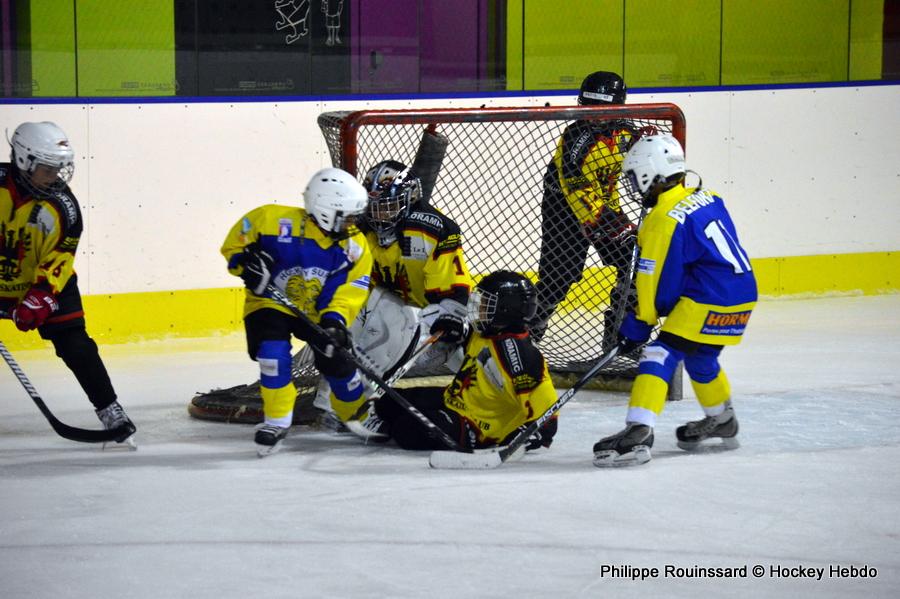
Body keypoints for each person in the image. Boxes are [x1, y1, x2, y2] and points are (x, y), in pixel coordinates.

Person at [592, 134, 757, 467]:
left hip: (708, 297)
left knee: (659, 353)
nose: (633, 187)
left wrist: (640, 323)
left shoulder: (662, 220)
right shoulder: (707, 196)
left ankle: (638, 430)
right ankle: (722, 419)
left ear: (649, 173)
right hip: (741, 293)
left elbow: (655, 284)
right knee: (700, 357)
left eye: (634, 178)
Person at [0, 121, 136, 446]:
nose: (55, 177)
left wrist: (40, 298)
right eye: (47, 170)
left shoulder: (64, 206)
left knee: (76, 345)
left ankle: (110, 408)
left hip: (42, 281)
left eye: (58, 170)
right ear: (24, 161)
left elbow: (59, 259)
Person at [221, 167, 372, 456]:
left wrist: (334, 321)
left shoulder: (354, 246)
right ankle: (276, 421)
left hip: (317, 311)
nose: (353, 224)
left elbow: (347, 290)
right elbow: (234, 246)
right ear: (325, 210)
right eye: (347, 217)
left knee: (336, 359)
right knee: (272, 354)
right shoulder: (270, 220)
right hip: (270, 303)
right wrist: (246, 265)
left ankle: (357, 413)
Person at [317, 159, 474, 433]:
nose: (379, 216)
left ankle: (490, 403)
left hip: (442, 321)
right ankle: (335, 404)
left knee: (476, 362)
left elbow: (452, 291)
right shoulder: (359, 230)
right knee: (342, 321)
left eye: (388, 207)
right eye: (374, 207)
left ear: (409, 200)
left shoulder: (435, 229)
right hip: (399, 314)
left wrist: (451, 319)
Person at [361, 270, 558, 453]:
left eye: (486, 304)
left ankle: (392, 428)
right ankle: (386, 422)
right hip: (454, 400)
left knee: (407, 430)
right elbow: (465, 335)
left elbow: (545, 405)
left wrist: (538, 432)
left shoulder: (519, 354)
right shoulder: (485, 331)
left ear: (506, 310)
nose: (479, 308)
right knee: (389, 402)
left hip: (474, 428)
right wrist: (453, 327)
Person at [533, 71, 640, 348]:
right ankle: (528, 334)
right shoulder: (575, 135)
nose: (595, 114)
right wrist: (605, 221)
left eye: (603, 107)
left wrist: (648, 145)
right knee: (557, 279)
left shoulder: (627, 133)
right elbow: (576, 187)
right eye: (590, 105)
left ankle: (620, 336)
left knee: (634, 262)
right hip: (563, 213)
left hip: (605, 209)